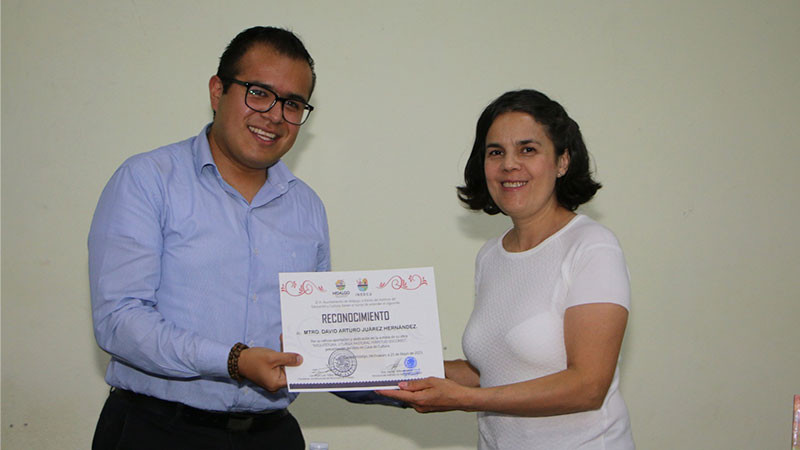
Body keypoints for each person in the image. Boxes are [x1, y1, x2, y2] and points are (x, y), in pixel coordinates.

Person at [89, 26, 392, 450]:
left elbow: (316, 341)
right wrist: (234, 361)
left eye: (292, 103)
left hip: (271, 434)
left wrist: (402, 376)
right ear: (217, 91)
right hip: (157, 431)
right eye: (258, 93)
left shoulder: (307, 208)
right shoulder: (147, 181)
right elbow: (119, 321)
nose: (274, 115)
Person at [379, 89, 635, 449]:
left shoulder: (592, 247)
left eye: (527, 149)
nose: (509, 164)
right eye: (495, 152)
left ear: (562, 161)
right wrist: (382, 363)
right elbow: (494, 370)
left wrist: (463, 400)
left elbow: (588, 386)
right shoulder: (490, 255)